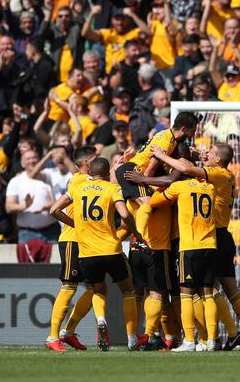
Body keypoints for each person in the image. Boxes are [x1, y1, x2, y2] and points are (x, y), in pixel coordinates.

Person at [148, 142, 240, 351]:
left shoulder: (217, 174)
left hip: (211, 235)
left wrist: (161, 155)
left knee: (206, 291)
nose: (206, 154)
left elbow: (185, 168)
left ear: (218, 159)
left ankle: (219, 336)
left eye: (210, 152)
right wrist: (197, 156)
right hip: (223, 236)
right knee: (229, 289)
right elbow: (193, 167)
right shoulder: (224, 175)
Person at [50, 157, 140, 352]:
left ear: (90, 172)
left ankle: (100, 319)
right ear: (108, 174)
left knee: (96, 289)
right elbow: (125, 215)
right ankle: (132, 338)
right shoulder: (112, 188)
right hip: (110, 249)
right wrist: (136, 232)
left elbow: (54, 209)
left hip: (87, 253)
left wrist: (74, 223)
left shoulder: (77, 187)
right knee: (128, 290)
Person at [148, 172, 219, 352]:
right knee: (207, 294)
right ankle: (211, 340)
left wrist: (155, 184)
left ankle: (189, 340)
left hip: (189, 247)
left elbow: (153, 202)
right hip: (210, 246)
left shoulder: (179, 187)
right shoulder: (210, 188)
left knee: (186, 294)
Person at [44, 145, 97, 353]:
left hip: (87, 242)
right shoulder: (79, 180)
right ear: (86, 163)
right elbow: (54, 210)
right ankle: (52, 336)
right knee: (69, 286)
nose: (100, 161)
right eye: (96, 158)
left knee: (95, 289)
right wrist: (76, 225)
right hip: (72, 240)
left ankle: (68, 331)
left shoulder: (90, 181)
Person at [115, 111, 198, 206]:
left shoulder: (167, 135)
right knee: (148, 205)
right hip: (134, 172)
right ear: (183, 129)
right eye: (192, 131)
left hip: (133, 170)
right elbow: (150, 169)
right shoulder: (166, 142)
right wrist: (144, 182)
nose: (192, 135)